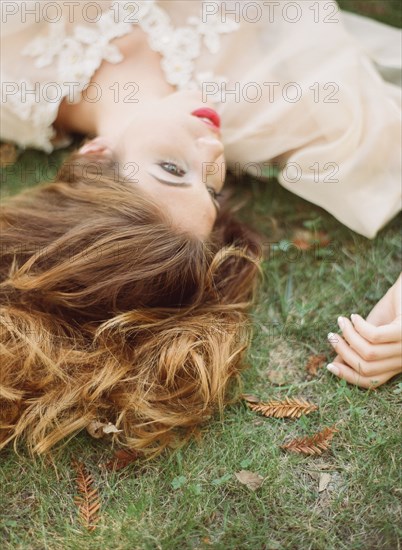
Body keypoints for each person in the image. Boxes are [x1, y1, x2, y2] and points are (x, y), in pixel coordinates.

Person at [0, 0, 401, 458]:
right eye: (211, 189)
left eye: (172, 169)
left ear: (95, 157)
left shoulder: (11, 78)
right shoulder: (272, 110)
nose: (212, 154)